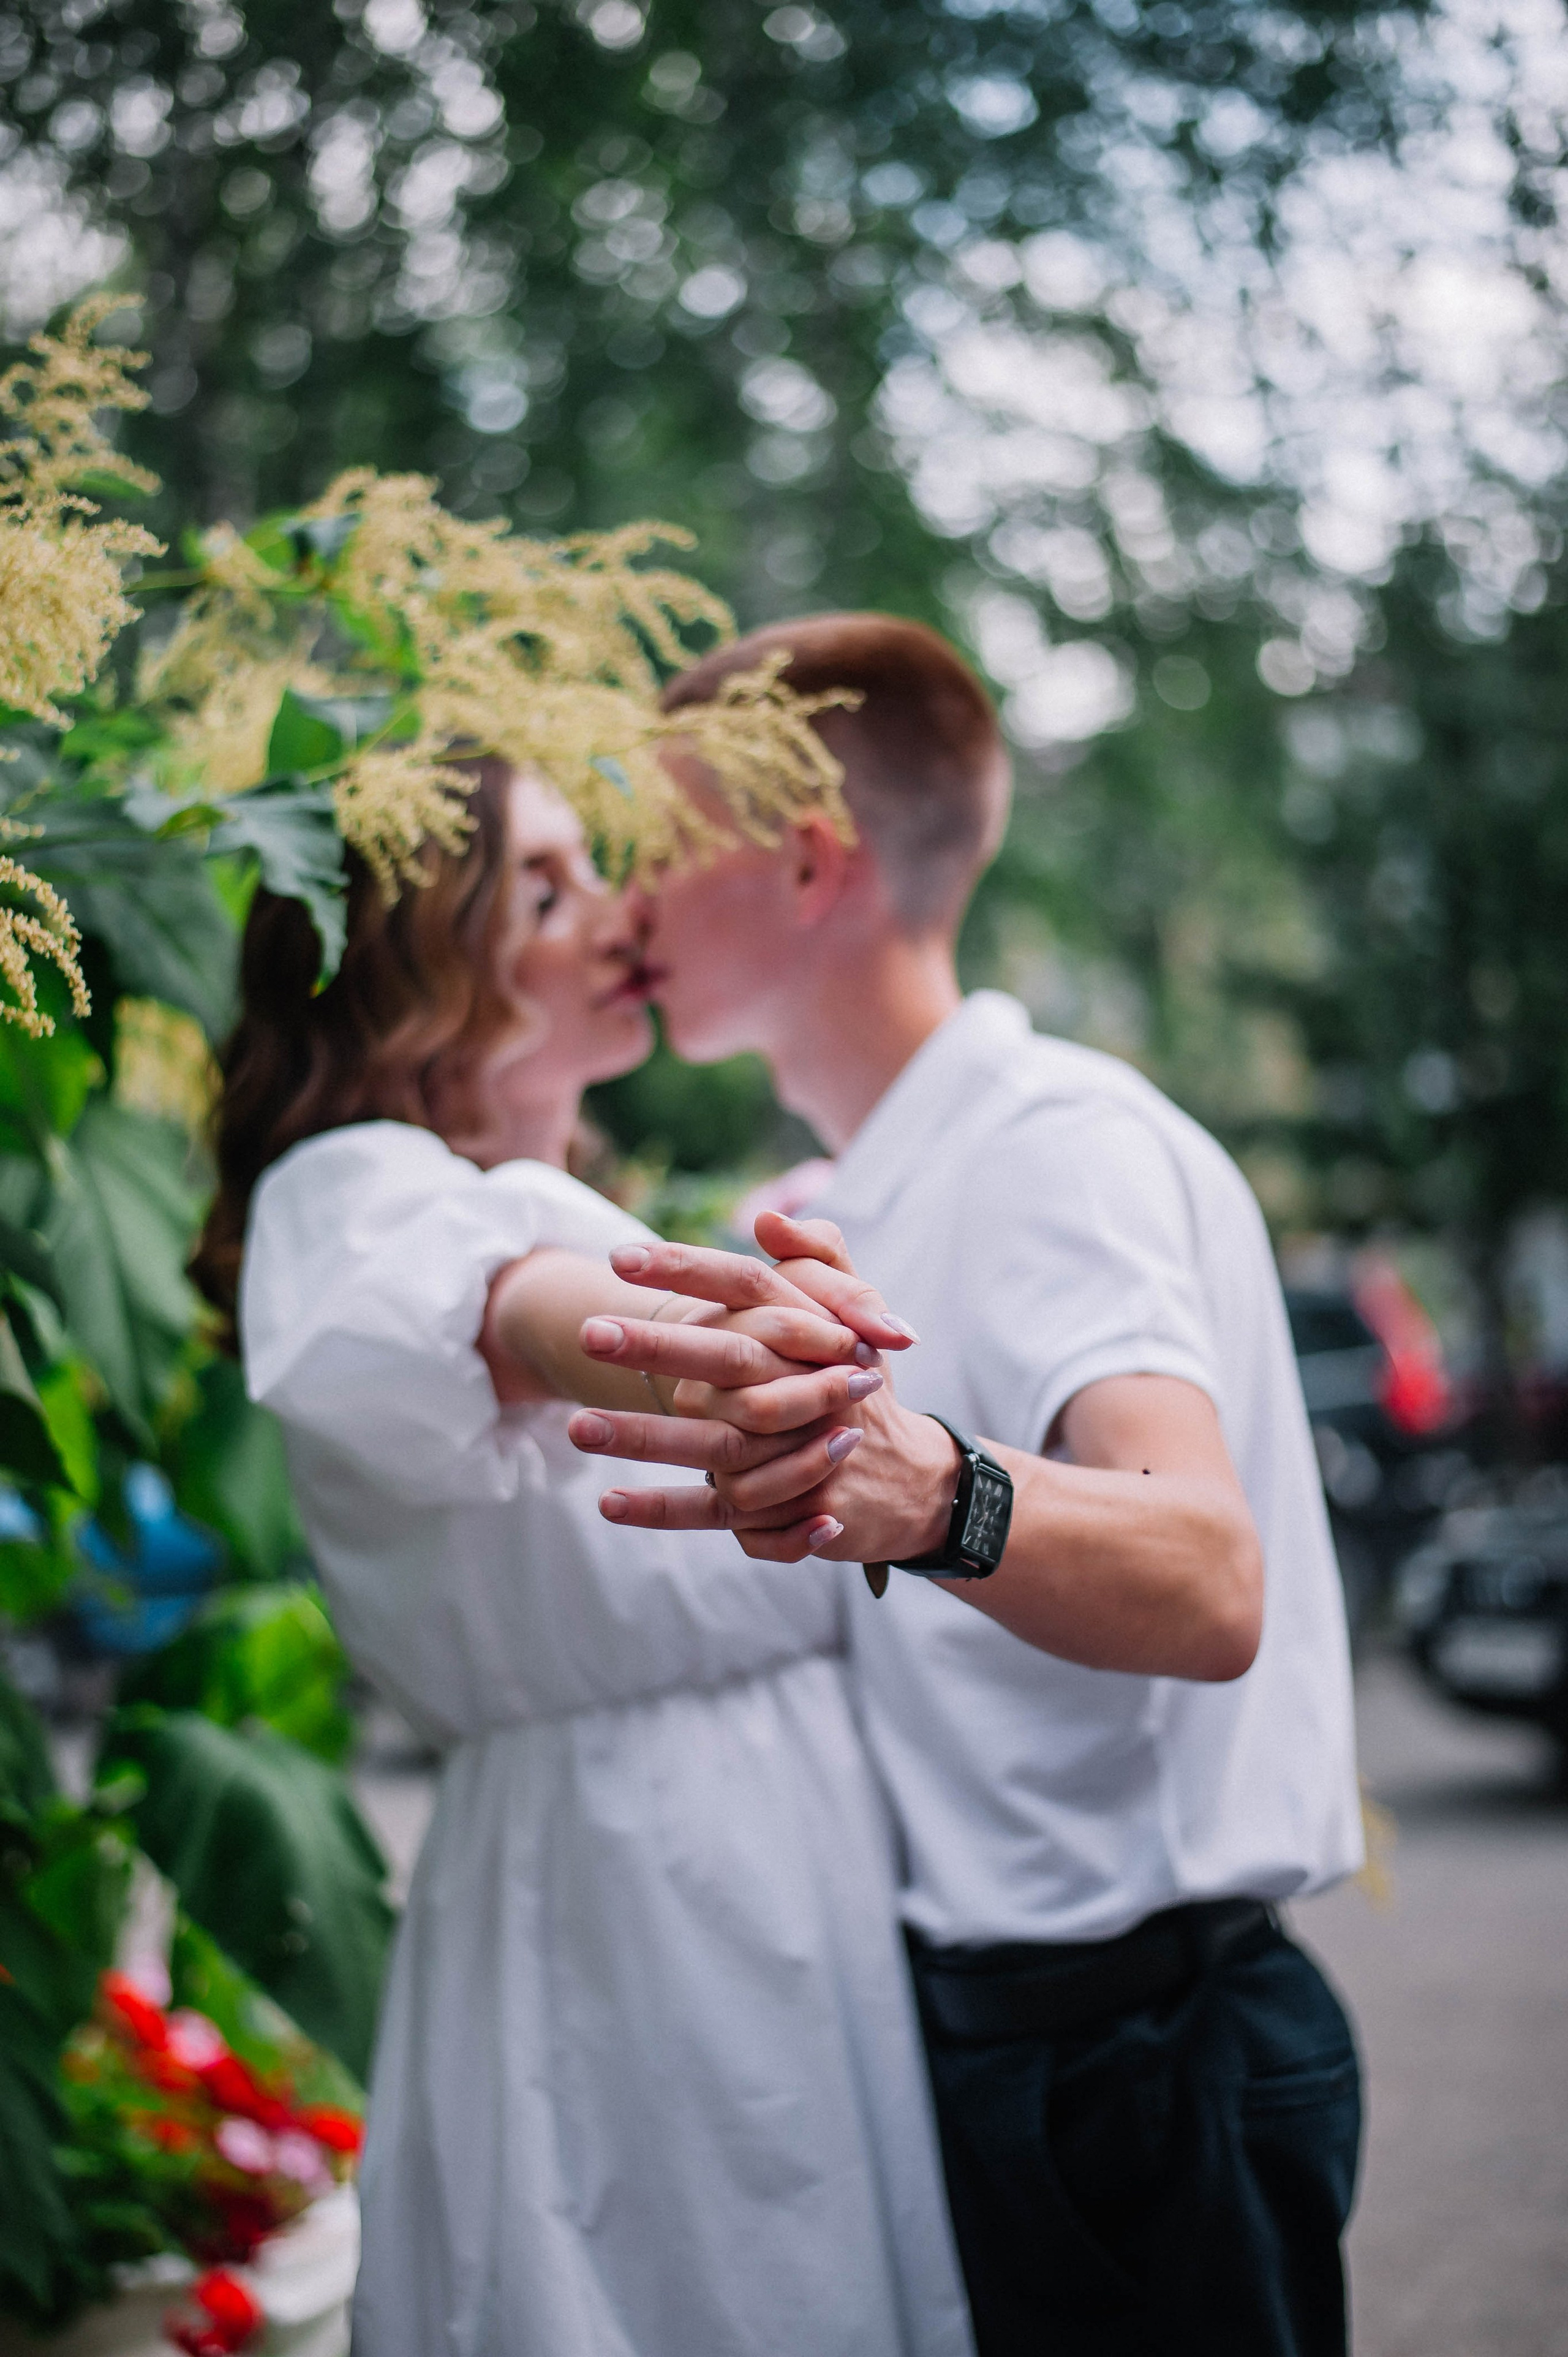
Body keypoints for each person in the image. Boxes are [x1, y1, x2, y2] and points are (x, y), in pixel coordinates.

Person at [567, 615, 1366, 2357]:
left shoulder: (1051, 1150)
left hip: (1139, 2078)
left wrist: (936, 1494)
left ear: (803, 862)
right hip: (996, 2050)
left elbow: (1209, 1576)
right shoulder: (858, 1181)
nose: (626, 901)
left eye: (659, 843)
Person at [190, 755, 976, 2357]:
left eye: (593, 865)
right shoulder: (353, 1196)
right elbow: (510, 1315)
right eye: (541, 889)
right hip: (628, 1888)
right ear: (412, 977)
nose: (618, 912)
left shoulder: (592, 1203)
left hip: (793, 1859)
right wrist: (722, 1353)